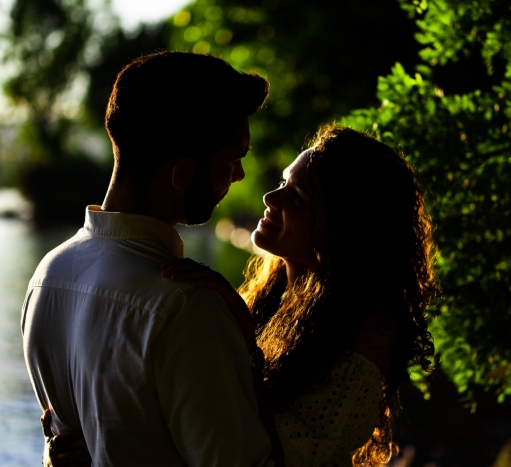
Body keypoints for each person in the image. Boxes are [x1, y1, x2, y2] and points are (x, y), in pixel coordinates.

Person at [45, 125, 438, 466]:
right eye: (284, 182)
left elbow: (284, 457)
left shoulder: (368, 332)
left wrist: (244, 336)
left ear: (346, 231)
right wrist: (79, 446)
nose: (271, 198)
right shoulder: (273, 296)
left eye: (297, 197)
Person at [22, 51, 281, 467]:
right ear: (181, 174)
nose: (239, 177)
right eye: (233, 160)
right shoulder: (187, 307)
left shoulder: (47, 275)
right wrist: (248, 351)